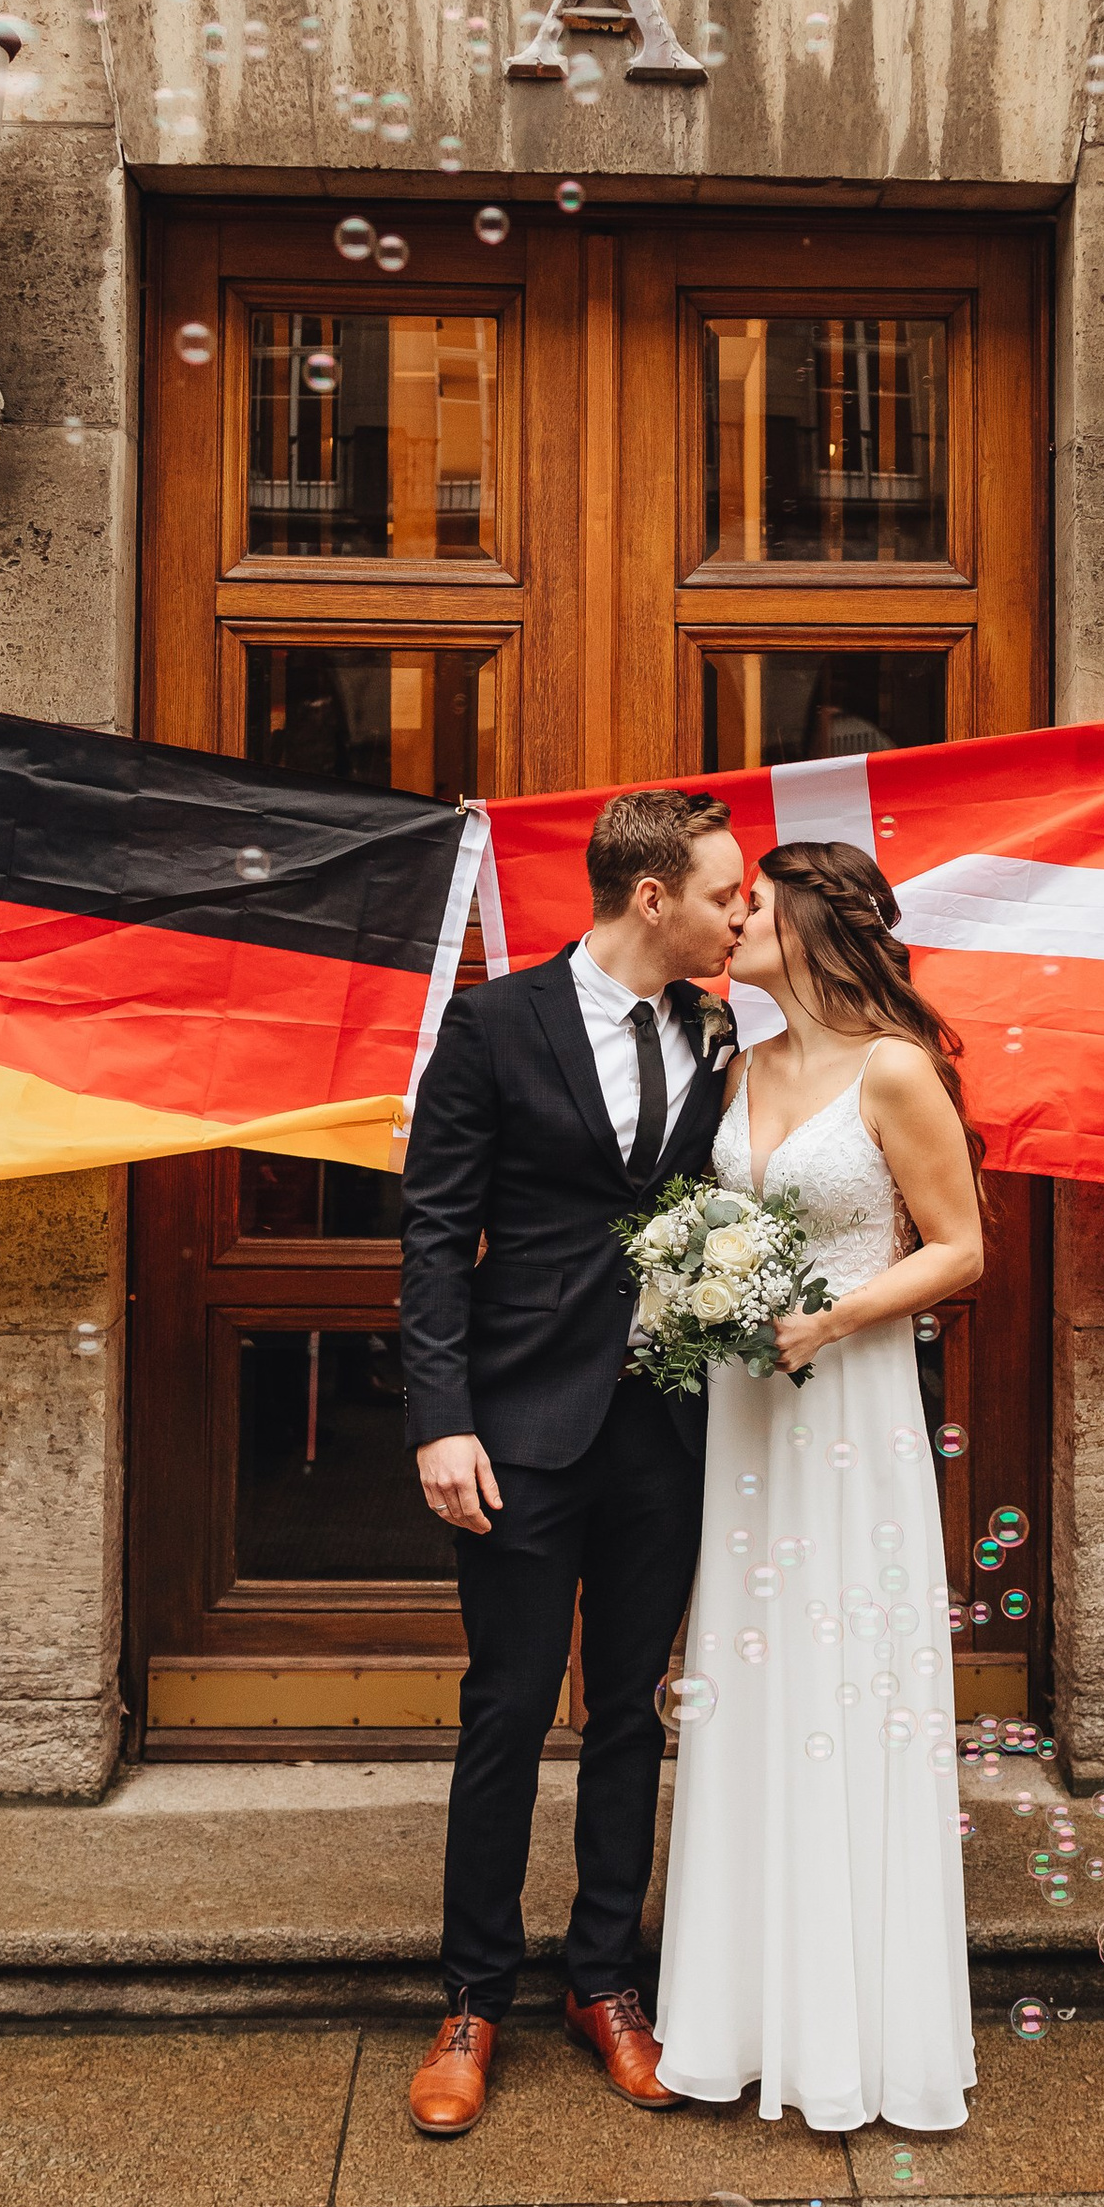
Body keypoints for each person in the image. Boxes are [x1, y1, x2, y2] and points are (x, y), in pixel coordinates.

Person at [397, 786, 749, 2136]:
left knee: (629, 1716)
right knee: (506, 1713)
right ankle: (474, 1997)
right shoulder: (493, 1025)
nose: (738, 914)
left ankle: (605, 1982)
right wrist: (442, 1418)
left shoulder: (715, 1029)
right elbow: (434, 1235)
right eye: (722, 892)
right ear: (651, 898)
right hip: (518, 1431)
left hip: (664, 1427)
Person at [654, 841, 983, 2131]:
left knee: (846, 1677)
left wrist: (827, 1321)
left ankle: (863, 2034)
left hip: (846, 1402)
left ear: (811, 925)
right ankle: (738, 2018)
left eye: (753, 905)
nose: (733, 917)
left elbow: (959, 1249)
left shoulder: (894, 1070)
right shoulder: (731, 1067)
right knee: (753, 1675)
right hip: (746, 1414)